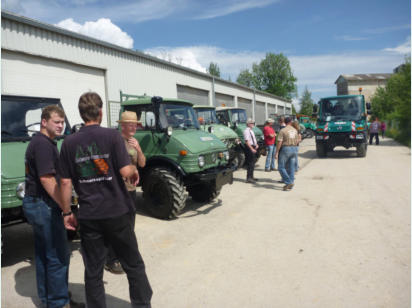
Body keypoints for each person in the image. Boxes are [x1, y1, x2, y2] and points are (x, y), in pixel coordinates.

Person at [58, 92, 152, 308]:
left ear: (81, 114)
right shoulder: (112, 137)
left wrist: (66, 213)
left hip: (90, 215)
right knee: (133, 264)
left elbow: (64, 183)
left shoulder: (69, 143)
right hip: (118, 211)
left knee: (93, 270)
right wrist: (134, 172)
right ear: (100, 112)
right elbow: (126, 170)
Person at [22, 105, 84, 308]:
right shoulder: (43, 145)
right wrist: (66, 209)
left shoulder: (42, 142)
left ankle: (50, 299)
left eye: (62, 122)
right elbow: (48, 180)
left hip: (37, 203)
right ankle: (59, 303)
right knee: (58, 255)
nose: (60, 125)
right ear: (44, 121)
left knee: (44, 254)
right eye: (56, 122)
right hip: (43, 205)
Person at [105, 111, 146, 274]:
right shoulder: (117, 141)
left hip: (131, 190)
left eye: (135, 124)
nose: (133, 127)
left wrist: (138, 148)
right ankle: (111, 259)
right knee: (116, 226)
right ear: (122, 125)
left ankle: (123, 255)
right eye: (130, 124)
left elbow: (142, 163)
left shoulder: (134, 141)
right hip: (119, 190)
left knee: (129, 225)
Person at [275, 117, 299, 191]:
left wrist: (277, 152)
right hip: (294, 148)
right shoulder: (295, 130)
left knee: (281, 167)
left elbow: (279, 142)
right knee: (291, 167)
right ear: (291, 122)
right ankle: (291, 182)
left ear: (285, 122)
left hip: (286, 148)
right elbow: (298, 140)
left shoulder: (283, 130)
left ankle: (288, 182)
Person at [243, 118, 259, 183]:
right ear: (248, 124)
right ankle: (249, 178)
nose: (253, 124)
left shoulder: (251, 130)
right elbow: (247, 141)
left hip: (253, 146)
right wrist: (252, 149)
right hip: (249, 147)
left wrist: (256, 144)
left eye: (253, 123)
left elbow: (253, 139)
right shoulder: (246, 131)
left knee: (253, 163)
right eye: (251, 123)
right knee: (250, 163)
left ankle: (251, 176)